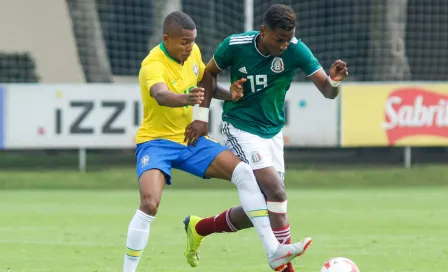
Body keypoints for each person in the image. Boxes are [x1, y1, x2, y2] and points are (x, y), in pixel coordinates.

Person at [122, 10, 313, 272]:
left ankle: (274, 252)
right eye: (184, 42)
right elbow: (161, 95)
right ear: (166, 38)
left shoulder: (194, 53)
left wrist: (230, 95)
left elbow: (207, 84)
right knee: (149, 203)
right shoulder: (152, 64)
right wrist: (186, 99)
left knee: (245, 174)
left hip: (190, 139)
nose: (190, 48)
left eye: (192, 41)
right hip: (156, 143)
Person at [183, 4, 348, 272]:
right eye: (278, 40)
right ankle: (282, 263)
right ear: (263, 31)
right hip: (239, 126)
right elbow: (209, 73)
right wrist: (201, 116)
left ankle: (199, 227)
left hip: (272, 133)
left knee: (269, 207)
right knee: (276, 191)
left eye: (287, 40)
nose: (284, 46)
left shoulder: (296, 49)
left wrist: (335, 82)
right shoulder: (235, 45)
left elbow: (327, 91)